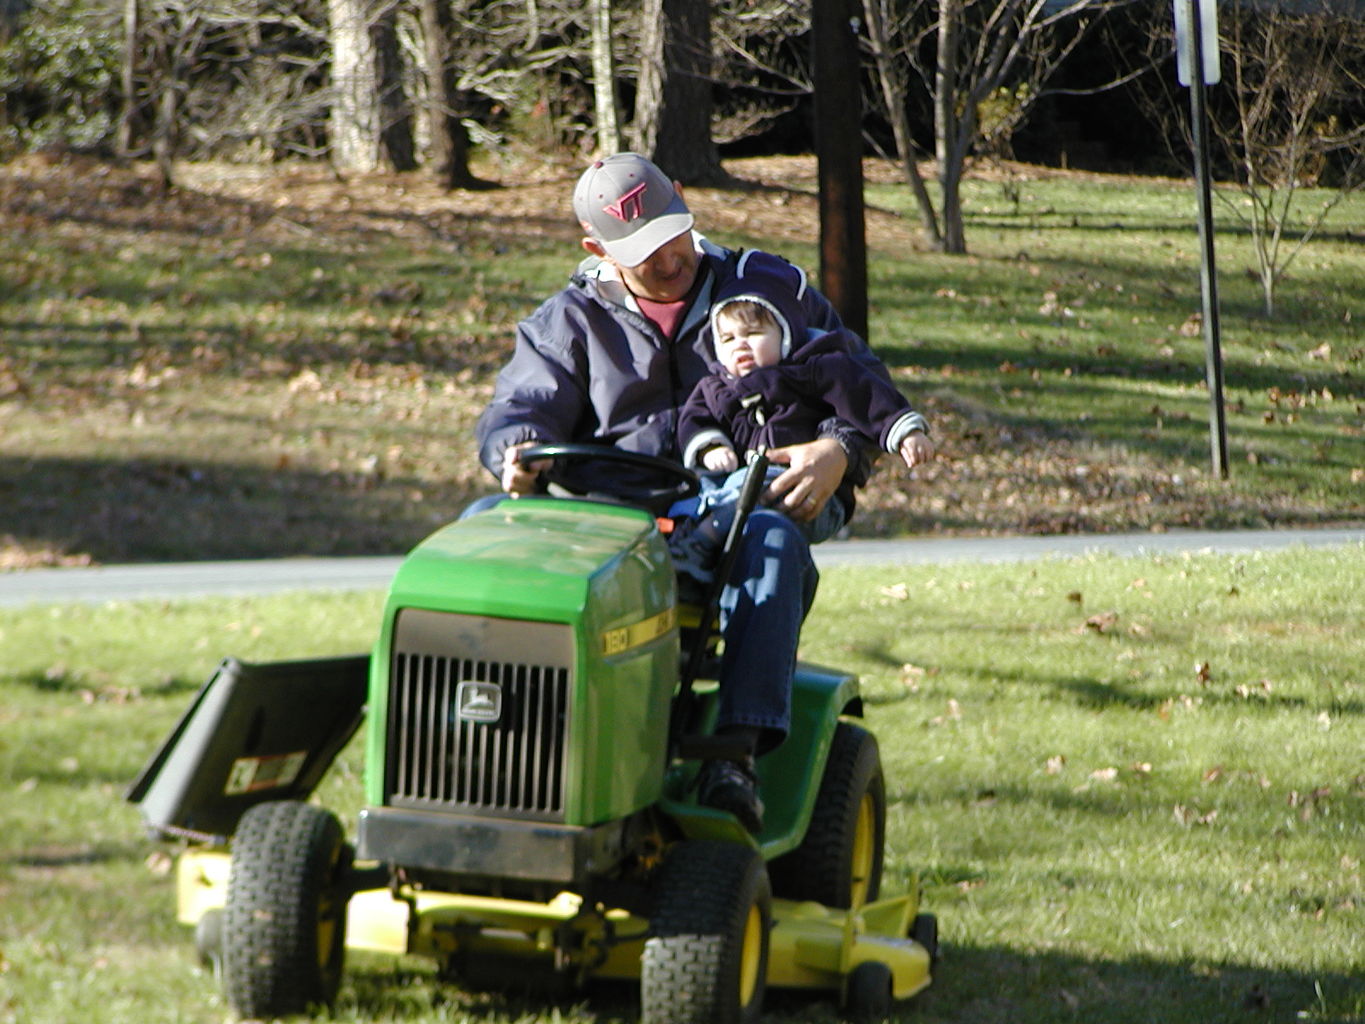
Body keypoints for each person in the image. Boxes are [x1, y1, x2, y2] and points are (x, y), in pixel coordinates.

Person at [474, 152, 898, 834]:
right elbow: (520, 407)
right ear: (596, 250)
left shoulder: (766, 291)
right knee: (484, 522)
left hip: (747, 497)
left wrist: (839, 451)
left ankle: (734, 755)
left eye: (674, 233)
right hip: (613, 513)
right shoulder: (569, 321)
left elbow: (863, 383)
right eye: (644, 252)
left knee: (766, 537)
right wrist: (513, 452)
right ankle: (494, 724)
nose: (671, 259)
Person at [666, 251, 934, 583]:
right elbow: (694, 420)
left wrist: (907, 431)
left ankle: (703, 535)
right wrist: (710, 447)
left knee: (757, 484)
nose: (741, 346)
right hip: (734, 488)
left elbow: (868, 395)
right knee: (706, 485)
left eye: (753, 334)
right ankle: (698, 543)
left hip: (806, 494)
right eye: (729, 339)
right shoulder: (716, 388)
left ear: (785, 333)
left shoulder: (814, 370)